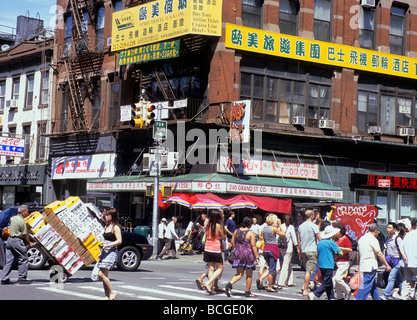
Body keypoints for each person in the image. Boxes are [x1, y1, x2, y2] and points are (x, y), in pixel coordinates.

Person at [225, 216, 259, 298]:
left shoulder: (236, 231)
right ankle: (247, 292)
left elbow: (232, 242)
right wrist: (257, 257)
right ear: (250, 224)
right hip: (248, 254)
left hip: (238, 253)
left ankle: (229, 285)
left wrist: (238, 248)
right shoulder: (250, 233)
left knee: (239, 274)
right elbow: (253, 246)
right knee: (249, 275)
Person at [355, 223, 391, 300]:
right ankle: (358, 298)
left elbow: (358, 254)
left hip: (363, 264)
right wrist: (387, 265)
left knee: (372, 285)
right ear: (376, 230)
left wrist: (358, 265)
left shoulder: (361, 238)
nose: (378, 233)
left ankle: (376, 298)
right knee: (367, 284)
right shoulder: (373, 239)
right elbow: (379, 254)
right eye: (378, 232)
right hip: (370, 265)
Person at [1, 205, 35, 285]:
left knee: (9, 261)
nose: (28, 213)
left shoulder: (14, 218)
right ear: (23, 212)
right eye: (27, 212)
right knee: (23, 258)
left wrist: (31, 215)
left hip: (10, 240)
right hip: (17, 241)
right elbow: (25, 234)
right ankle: (22, 278)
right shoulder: (21, 221)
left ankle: (4, 279)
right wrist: (30, 243)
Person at [308, 225, 343, 300]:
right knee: (326, 282)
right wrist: (339, 250)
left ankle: (331, 297)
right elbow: (340, 253)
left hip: (321, 264)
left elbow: (317, 253)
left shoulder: (320, 243)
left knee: (328, 281)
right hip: (329, 264)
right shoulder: (332, 243)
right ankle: (315, 294)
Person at [96, 208, 122, 300]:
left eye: (107, 215)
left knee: (101, 274)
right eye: (105, 215)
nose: (105, 217)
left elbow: (119, 241)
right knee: (104, 276)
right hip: (105, 252)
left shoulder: (116, 227)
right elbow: (105, 240)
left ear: (112, 216)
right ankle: (107, 295)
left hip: (111, 251)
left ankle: (111, 292)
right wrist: (101, 251)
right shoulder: (107, 227)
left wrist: (107, 245)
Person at [298, 210, 321, 296]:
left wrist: (299, 252)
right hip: (311, 250)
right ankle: (305, 288)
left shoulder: (301, 226)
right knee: (309, 271)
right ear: (311, 216)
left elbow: (299, 240)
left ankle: (305, 286)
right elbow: (319, 238)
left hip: (303, 250)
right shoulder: (313, 226)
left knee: (307, 269)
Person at [203, 209, 226, 294]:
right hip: (215, 248)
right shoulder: (219, 225)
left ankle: (211, 288)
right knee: (220, 268)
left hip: (207, 247)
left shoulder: (208, 224)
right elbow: (223, 238)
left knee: (211, 268)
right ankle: (208, 283)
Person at [381, 222, 405, 300]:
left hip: (397, 261)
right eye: (387, 227)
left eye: (390, 227)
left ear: (394, 229)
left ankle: (385, 295)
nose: (388, 229)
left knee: (391, 277)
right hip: (391, 262)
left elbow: (401, 249)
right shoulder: (387, 238)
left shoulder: (397, 239)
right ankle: (404, 293)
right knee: (398, 279)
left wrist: (404, 257)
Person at [262, 213, 285, 292]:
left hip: (266, 248)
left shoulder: (264, 228)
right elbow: (283, 234)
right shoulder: (274, 229)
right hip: (272, 248)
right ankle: (269, 286)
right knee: (272, 268)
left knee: (269, 266)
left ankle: (271, 283)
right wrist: (280, 225)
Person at [277, 214, 299, 289]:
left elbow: (277, 237)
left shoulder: (281, 226)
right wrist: (297, 247)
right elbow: (294, 239)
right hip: (288, 247)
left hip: (281, 247)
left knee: (288, 263)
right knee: (285, 264)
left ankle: (290, 281)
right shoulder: (291, 227)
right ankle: (281, 282)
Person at [332, 222, 352, 300]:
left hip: (344, 261)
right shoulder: (335, 239)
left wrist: (340, 248)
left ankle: (348, 290)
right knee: (337, 281)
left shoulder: (345, 239)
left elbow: (350, 249)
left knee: (337, 278)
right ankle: (339, 296)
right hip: (337, 261)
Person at [398, 218, 417, 300]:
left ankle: (403, 297)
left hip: (407, 262)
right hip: (415, 262)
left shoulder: (408, 235)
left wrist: (405, 257)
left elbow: (401, 247)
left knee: (406, 282)